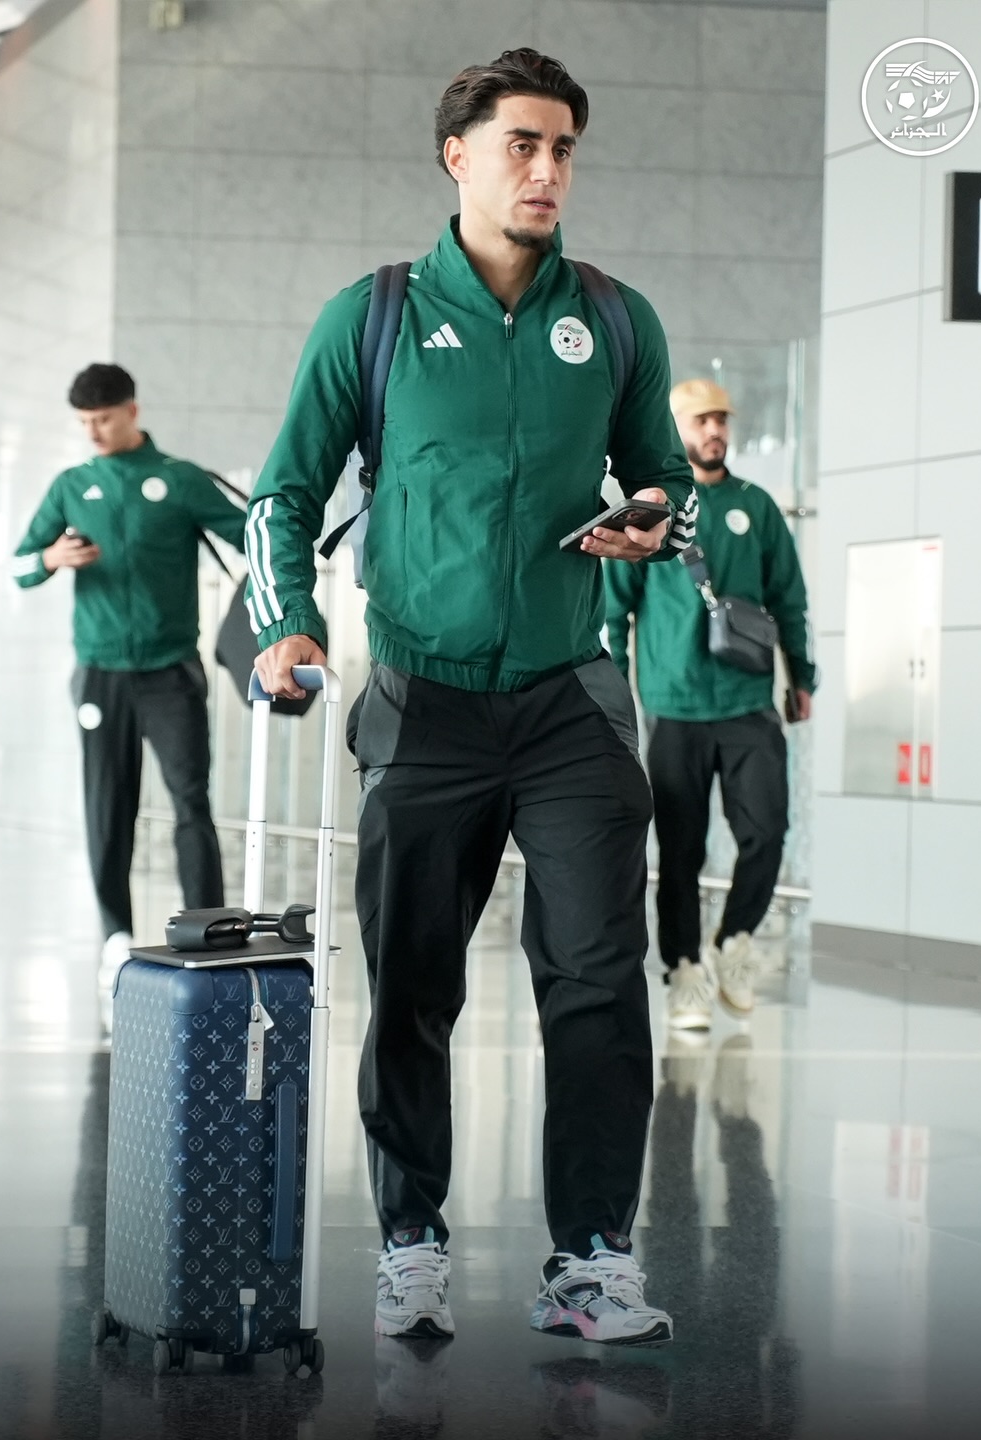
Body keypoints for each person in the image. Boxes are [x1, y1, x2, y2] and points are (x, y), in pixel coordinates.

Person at [248, 49, 697, 1347]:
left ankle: (593, 1258)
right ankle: (410, 1238)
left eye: (564, 150)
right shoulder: (376, 316)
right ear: (458, 155)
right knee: (411, 985)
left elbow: (665, 481)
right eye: (522, 145)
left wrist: (649, 518)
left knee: (598, 982)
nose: (548, 170)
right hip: (423, 701)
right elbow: (284, 491)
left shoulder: (614, 319)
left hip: (570, 701)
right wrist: (284, 621)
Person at [12, 363, 247, 994]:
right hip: (100, 675)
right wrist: (51, 557)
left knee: (191, 799)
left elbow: (249, 535)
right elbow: (19, 566)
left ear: (133, 411)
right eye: (84, 422)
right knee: (107, 805)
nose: (94, 431)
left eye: (104, 419)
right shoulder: (72, 486)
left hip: (171, 672)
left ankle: (208, 928)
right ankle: (114, 935)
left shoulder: (179, 479)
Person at [605, 379, 816, 1032]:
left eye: (720, 418)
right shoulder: (648, 512)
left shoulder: (756, 506)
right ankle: (685, 971)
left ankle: (735, 941)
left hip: (748, 702)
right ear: (676, 430)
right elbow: (614, 613)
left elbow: (789, 598)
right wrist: (613, 696)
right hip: (674, 706)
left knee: (767, 831)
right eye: (700, 420)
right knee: (681, 852)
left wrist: (802, 676)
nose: (714, 429)